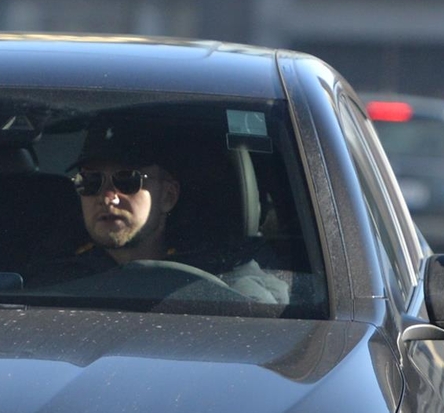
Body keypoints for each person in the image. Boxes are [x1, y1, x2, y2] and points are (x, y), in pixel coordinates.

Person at [30, 122, 292, 307]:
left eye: (128, 180)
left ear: (167, 196)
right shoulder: (45, 285)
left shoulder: (229, 276)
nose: (108, 196)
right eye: (90, 182)